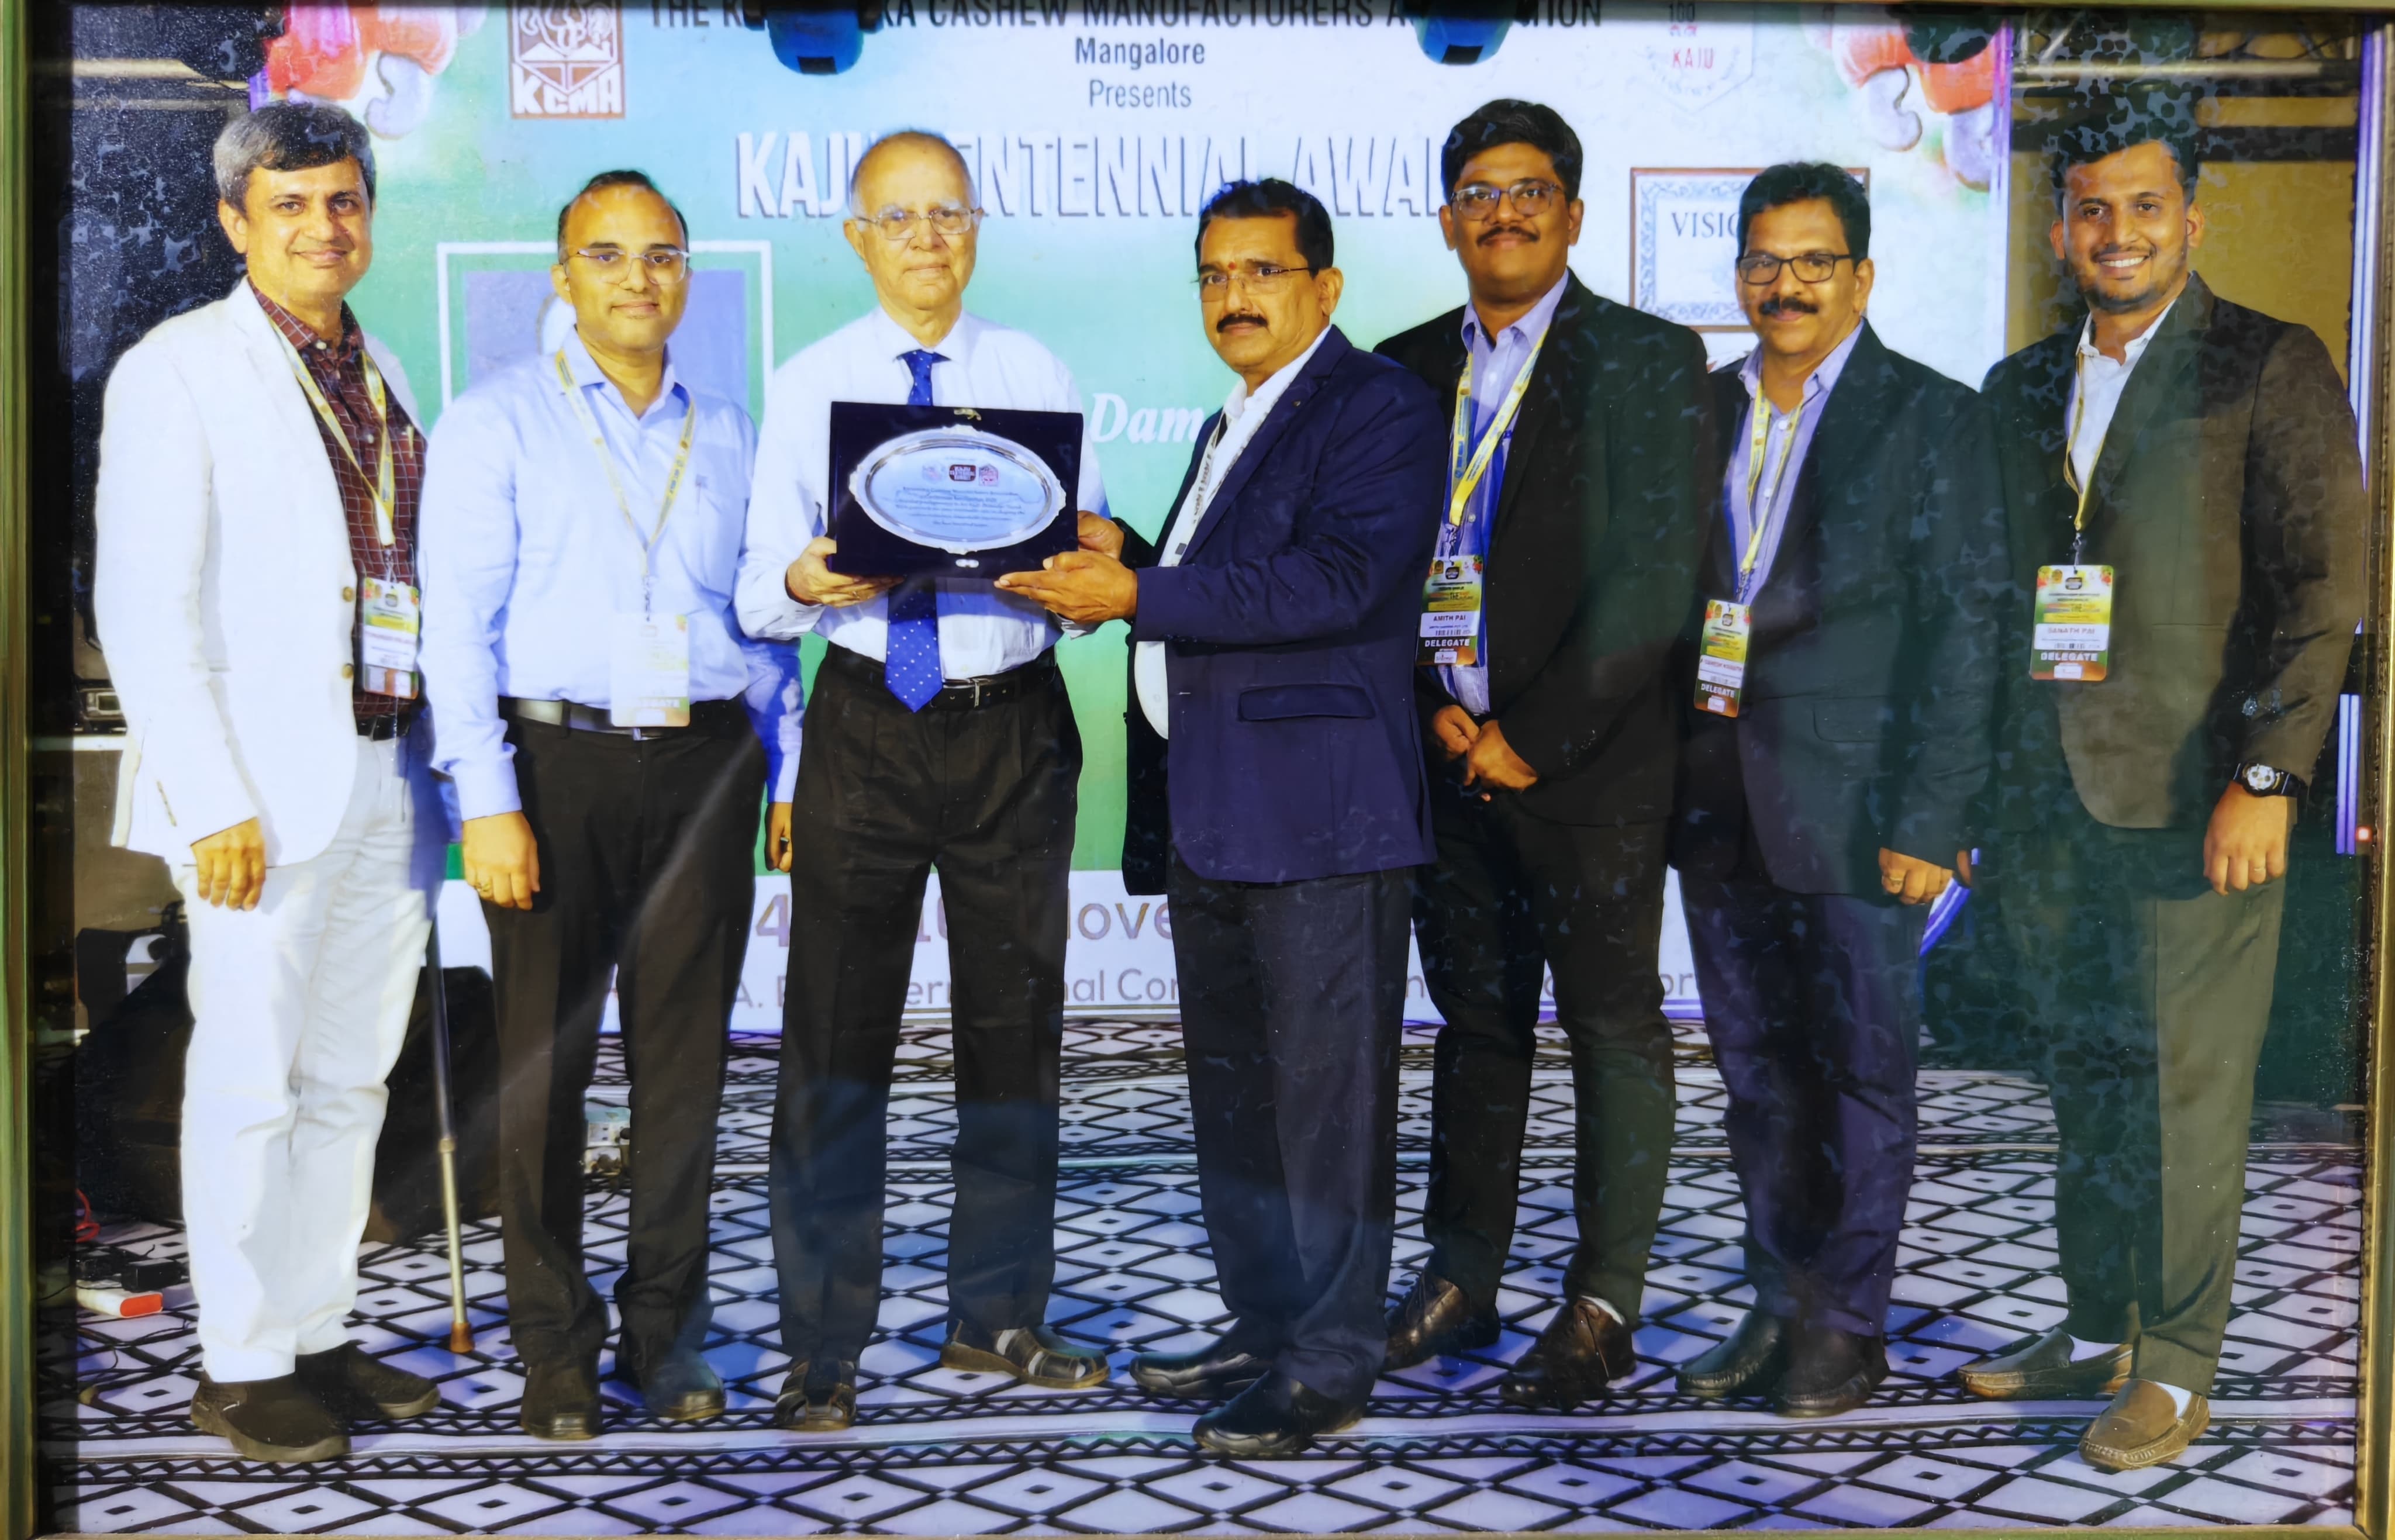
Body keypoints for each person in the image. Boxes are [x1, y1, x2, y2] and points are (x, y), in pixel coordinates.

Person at [1000, 178, 1445, 1456]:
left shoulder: (1378, 406)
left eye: (1260, 271)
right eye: (1212, 274)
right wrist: (1132, 553)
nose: (1232, 296)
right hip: (1217, 816)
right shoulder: (1228, 419)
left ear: (1325, 286)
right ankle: (1265, 1326)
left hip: (1320, 824)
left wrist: (1138, 592)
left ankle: (1330, 1361)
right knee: (1238, 1103)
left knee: (1324, 1112)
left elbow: (1334, 582)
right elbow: (1226, 584)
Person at [1959, 106, 2363, 1470]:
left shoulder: (2266, 363)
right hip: (2046, 807)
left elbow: (2322, 592)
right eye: (2090, 208)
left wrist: (2266, 775)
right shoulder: (2018, 384)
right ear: (2058, 227)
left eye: (2142, 207)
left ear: (2190, 217)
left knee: (2187, 1093)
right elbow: (1986, 603)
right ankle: (2096, 1329)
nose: (2115, 234)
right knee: (2085, 1083)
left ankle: (2179, 1369)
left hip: (2201, 801)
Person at [735, 130, 1112, 1432]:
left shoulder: (1034, 374)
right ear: (857, 239)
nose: (926, 239)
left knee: (1015, 1035)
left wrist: (1075, 570)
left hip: (1013, 728)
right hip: (868, 725)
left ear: (976, 229)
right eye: (897, 219)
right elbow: (760, 593)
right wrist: (810, 575)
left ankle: (997, 1314)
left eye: (947, 214)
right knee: (835, 1039)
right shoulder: (809, 384)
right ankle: (822, 1345)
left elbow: (1084, 573)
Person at [418, 170, 802, 1440]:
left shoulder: (732, 431)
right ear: (564, 276)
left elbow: (761, 625)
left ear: (686, 275)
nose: (638, 278)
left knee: (684, 1071)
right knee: (545, 1069)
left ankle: (663, 1332)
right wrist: (487, 800)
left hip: (705, 765)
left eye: (661, 255)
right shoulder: (496, 422)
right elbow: (454, 632)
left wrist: (788, 766)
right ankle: (554, 1346)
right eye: (608, 254)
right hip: (552, 767)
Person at [92, 101, 447, 1463]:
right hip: (255, 794)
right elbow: (145, 608)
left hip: (386, 770)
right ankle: (241, 1365)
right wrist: (210, 799)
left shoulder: (380, 365)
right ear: (235, 224)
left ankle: (316, 1331)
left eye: (342, 200)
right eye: (289, 205)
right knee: (251, 1079)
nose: (322, 227)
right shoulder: (178, 369)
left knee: (351, 1080)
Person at [1370, 101, 1716, 1407]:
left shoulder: (1648, 357)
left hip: (1592, 771)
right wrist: (1438, 711)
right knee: (1476, 1028)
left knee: (1614, 1031)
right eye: (1477, 192)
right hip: (1446, 763)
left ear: (1571, 213)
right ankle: (1462, 1278)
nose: (1501, 212)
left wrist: (1534, 733)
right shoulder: (1403, 367)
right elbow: (1379, 564)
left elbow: (1655, 581)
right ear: (1446, 220)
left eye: (1527, 191)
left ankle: (1602, 1303)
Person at [1667, 164, 2006, 1416]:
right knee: (1757, 1076)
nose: (1785, 285)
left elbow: (1969, 627)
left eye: (1813, 261)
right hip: (1719, 799)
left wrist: (1934, 815)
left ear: (1861, 276)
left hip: (1865, 810)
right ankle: (1775, 1304)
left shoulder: (1931, 417)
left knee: (1862, 1073)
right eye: (1763, 261)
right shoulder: (1702, 408)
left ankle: (1847, 1326)